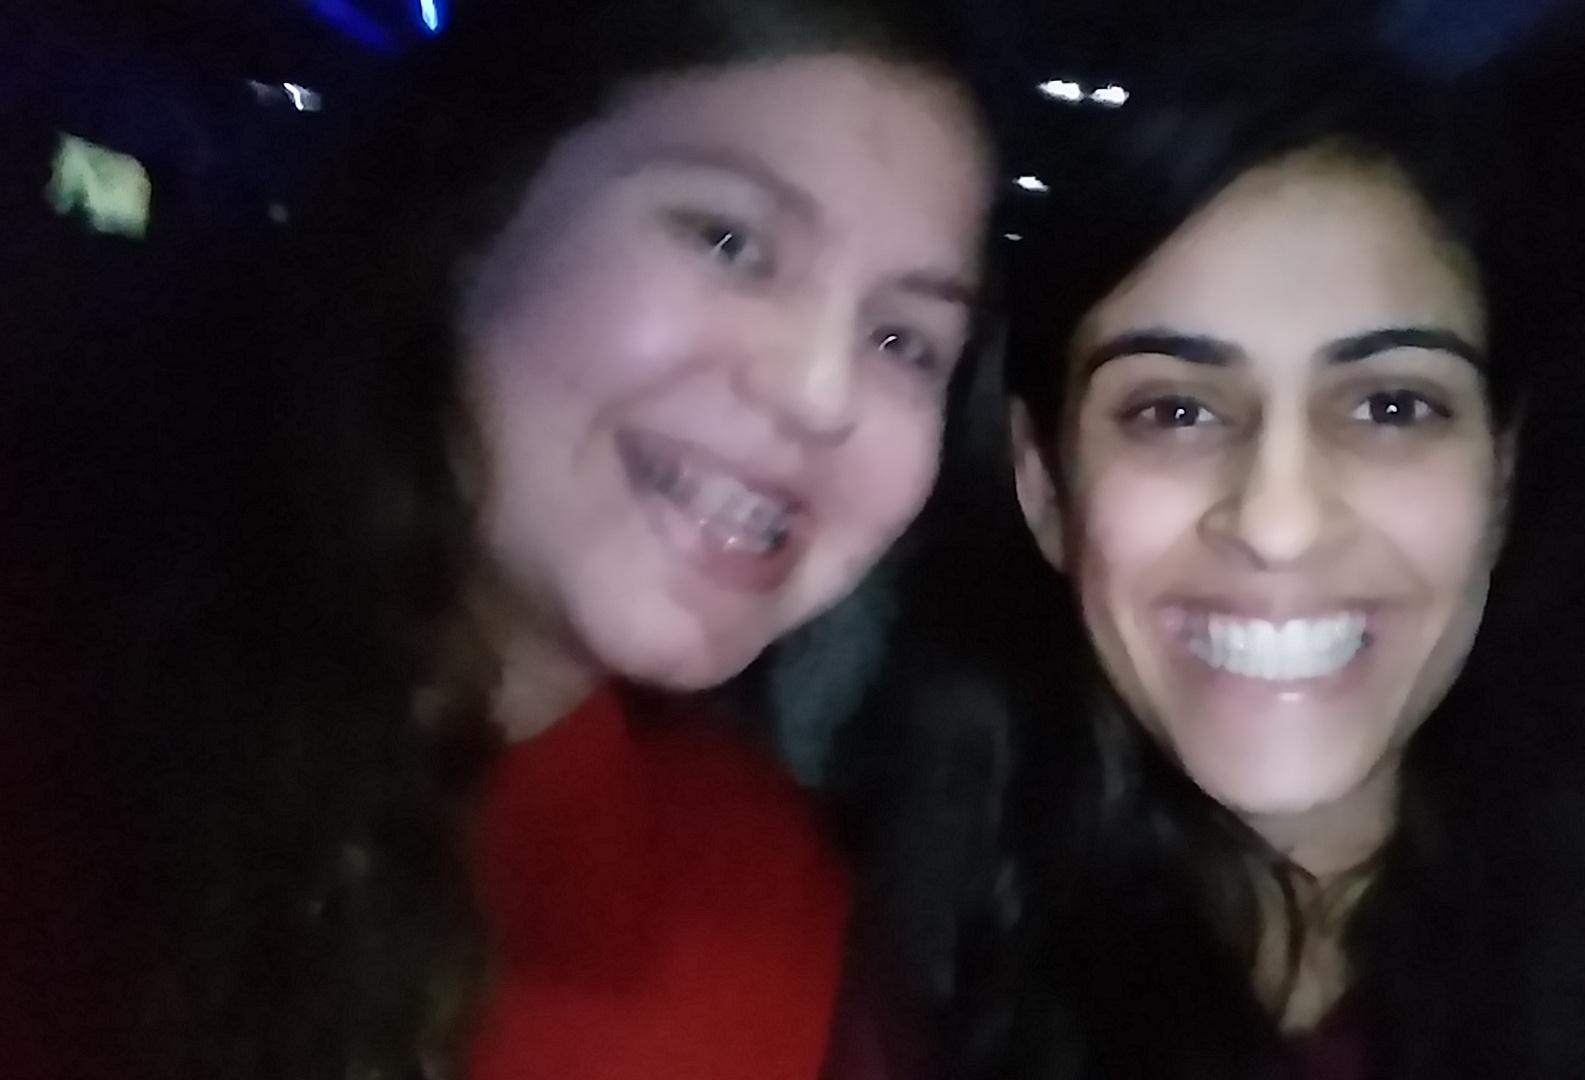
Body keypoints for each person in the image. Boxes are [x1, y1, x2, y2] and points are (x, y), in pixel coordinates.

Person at [848, 42, 1585, 1080]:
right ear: (1046, 490)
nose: (1279, 522)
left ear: (1501, 478)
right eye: (1174, 410)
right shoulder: (872, 981)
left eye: (1392, 406)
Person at [126, 2, 995, 1079]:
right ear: (472, 220)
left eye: (904, 340)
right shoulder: (67, 716)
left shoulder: (779, 920)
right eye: (729, 242)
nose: (820, 394)